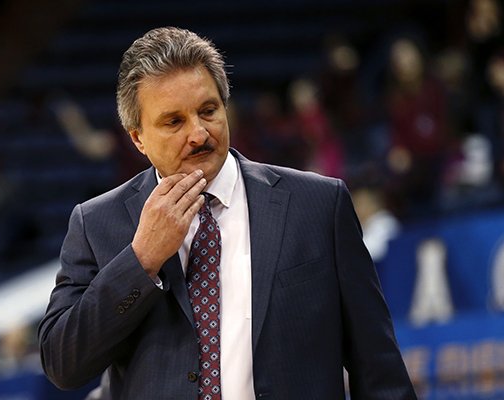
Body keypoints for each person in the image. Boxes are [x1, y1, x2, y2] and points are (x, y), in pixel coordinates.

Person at [38, 27, 417, 399]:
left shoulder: (318, 205)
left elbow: (379, 369)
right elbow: (62, 364)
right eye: (174, 122)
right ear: (137, 137)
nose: (199, 134)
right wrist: (141, 261)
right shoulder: (97, 223)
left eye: (208, 111)